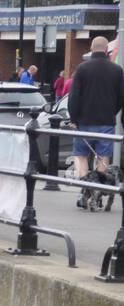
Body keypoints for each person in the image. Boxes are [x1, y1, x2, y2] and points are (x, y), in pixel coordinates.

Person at [68, 35, 124, 207]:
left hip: (84, 121)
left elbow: (74, 96)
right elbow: (121, 98)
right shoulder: (117, 70)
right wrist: (110, 112)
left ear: (92, 49)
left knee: (81, 155)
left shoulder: (82, 69)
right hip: (106, 122)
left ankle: (84, 191)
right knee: (102, 157)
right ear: (107, 50)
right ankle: (98, 192)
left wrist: (73, 118)